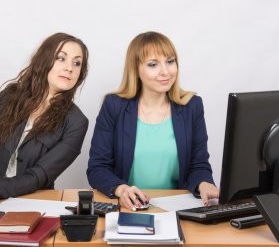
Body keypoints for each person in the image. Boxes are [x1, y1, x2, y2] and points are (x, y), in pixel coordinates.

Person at [0, 32, 89, 208]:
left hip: (34, 203)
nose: (70, 68)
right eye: (61, 58)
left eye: (77, 63)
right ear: (44, 60)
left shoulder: (77, 122)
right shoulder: (9, 96)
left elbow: (38, 176)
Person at [87, 31, 219, 211]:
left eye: (170, 61)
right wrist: (121, 189)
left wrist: (204, 184)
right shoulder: (114, 105)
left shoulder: (191, 106)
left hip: (178, 208)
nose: (165, 71)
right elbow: (97, 168)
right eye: (153, 64)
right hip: (128, 207)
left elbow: (199, 164)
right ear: (136, 70)